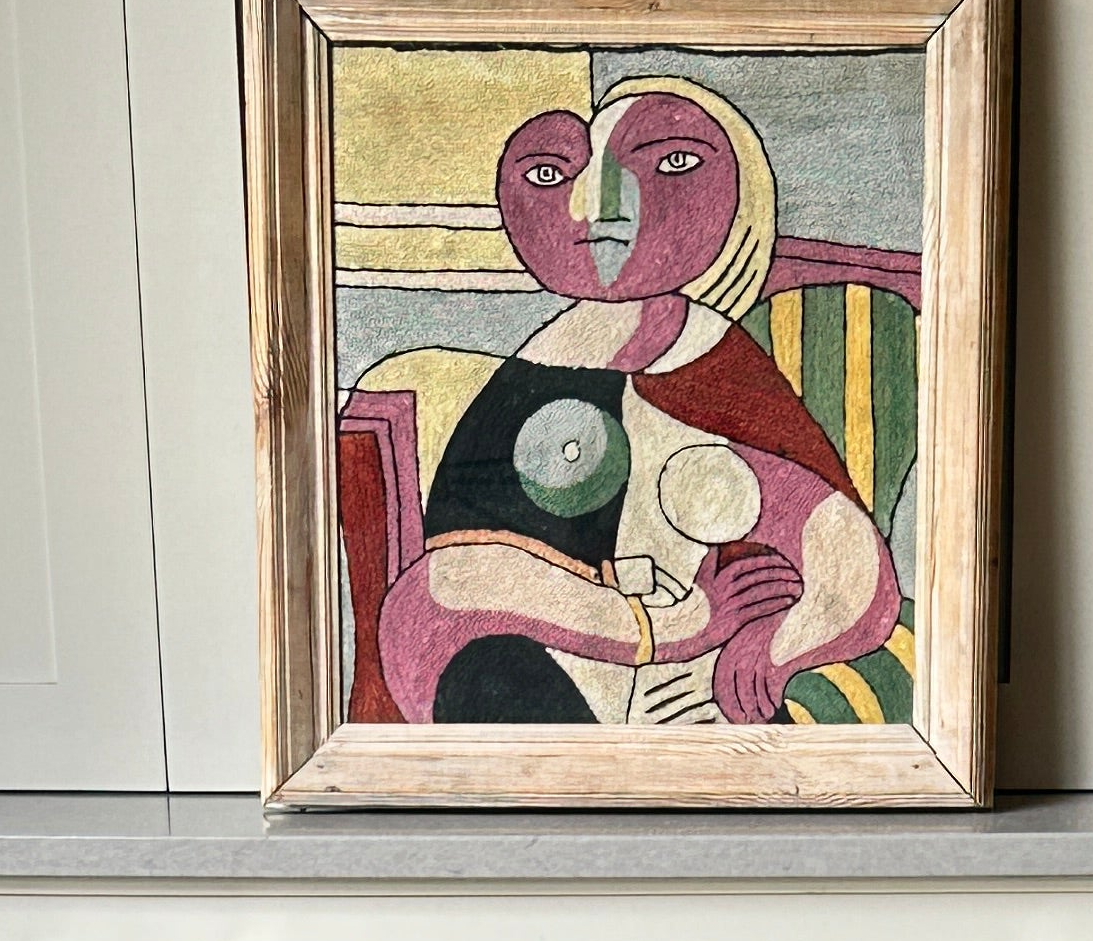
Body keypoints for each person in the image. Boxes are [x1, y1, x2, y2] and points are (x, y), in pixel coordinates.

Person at [354, 81, 903, 730]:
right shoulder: (539, 371)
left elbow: (852, 566)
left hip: (687, 704)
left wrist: (776, 649)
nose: (600, 208)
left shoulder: (713, 366)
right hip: (537, 677)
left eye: (670, 163)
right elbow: (448, 589)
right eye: (551, 174)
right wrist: (669, 626)